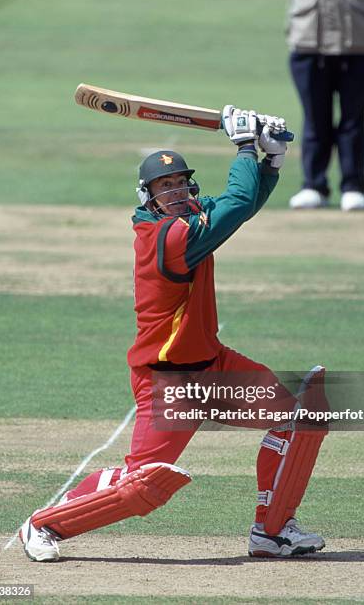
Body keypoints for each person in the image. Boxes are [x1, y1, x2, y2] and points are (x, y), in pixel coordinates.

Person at [19, 106, 329, 562]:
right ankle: (44, 524)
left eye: (183, 183)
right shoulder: (168, 239)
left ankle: (273, 531)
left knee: (302, 416)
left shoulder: (188, 217)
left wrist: (270, 160)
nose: (178, 191)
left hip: (215, 366)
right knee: (142, 486)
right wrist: (243, 145)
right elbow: (236, 204)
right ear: (149, 198)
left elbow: (239, 205)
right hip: (170, 383)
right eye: (167, 187)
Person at [287, 0, 364, 210]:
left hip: (359, 38)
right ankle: (314, 185)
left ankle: (353, 186)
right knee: (314, 116)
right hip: (308, 37)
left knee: (354, 118)